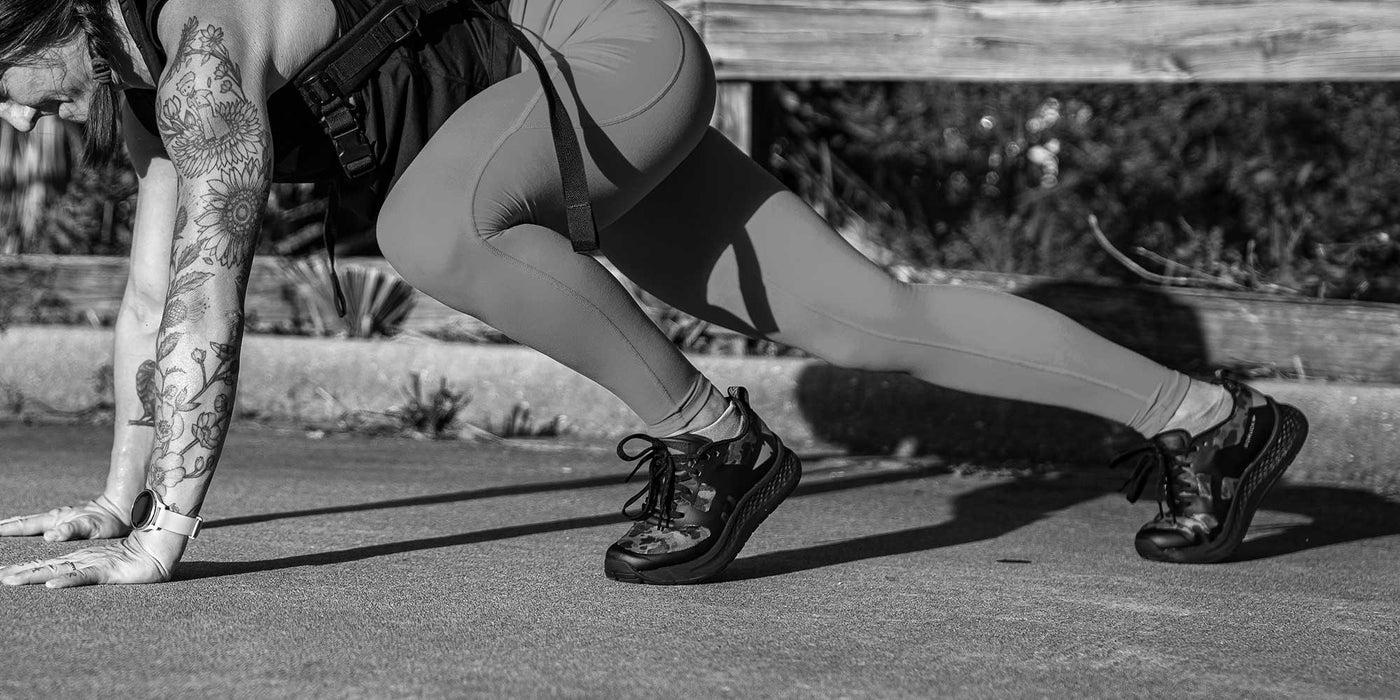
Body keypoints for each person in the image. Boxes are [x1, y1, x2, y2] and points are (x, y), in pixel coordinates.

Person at [0, 0, 1308, 588]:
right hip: (544, 113)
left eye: (5, 86)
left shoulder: (203, 52)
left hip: (600, 49)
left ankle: (717, 449)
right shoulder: (144, 87)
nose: (13, 122)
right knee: (871, 319)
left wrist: (168, 538)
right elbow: (158, 299)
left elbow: (212, 301)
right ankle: (1212, 421)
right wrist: (119, 498)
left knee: (428, 225)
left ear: (47, 23)